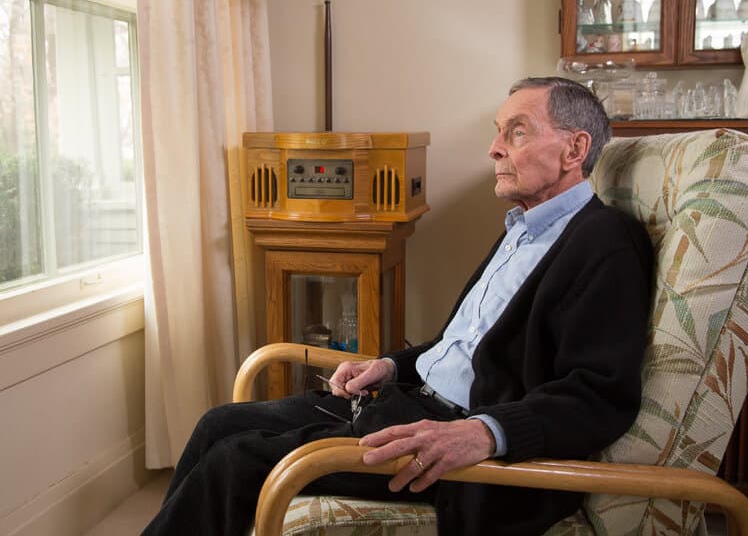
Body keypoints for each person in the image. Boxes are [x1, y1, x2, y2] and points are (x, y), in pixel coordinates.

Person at [142, 76, 654, 536]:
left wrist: (482, 432)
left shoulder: (604, 243)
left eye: (516, 132)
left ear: (574, 148)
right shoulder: (523, 231)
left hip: (449, 443)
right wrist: (388, 365)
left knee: (233, 462)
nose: (494, 149)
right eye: (498, 132)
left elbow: (598, 394)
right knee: (217, 423)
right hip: (405, 398)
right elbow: (464, 344)